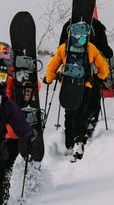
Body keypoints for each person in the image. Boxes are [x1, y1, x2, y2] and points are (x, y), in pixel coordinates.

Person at [45, 21, 110, 160]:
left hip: (68, 85)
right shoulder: (90, 47)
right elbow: (103, 67)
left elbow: (52, 66)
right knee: (81, 111)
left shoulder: (64, 47)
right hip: (85, 85)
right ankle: (79, 140)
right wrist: (99, 78)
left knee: (69, 112)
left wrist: (49, 79)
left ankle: (69, 144)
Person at [57, 13, 114, 138]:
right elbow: (106, 50)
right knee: (92, 100)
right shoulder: (97, 25)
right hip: (91, 73)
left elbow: (60, 47)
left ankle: (71, 134)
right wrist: (103, 74)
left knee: (71, 104)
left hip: (70, 74)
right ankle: (89, 121)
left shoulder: (68, 25)